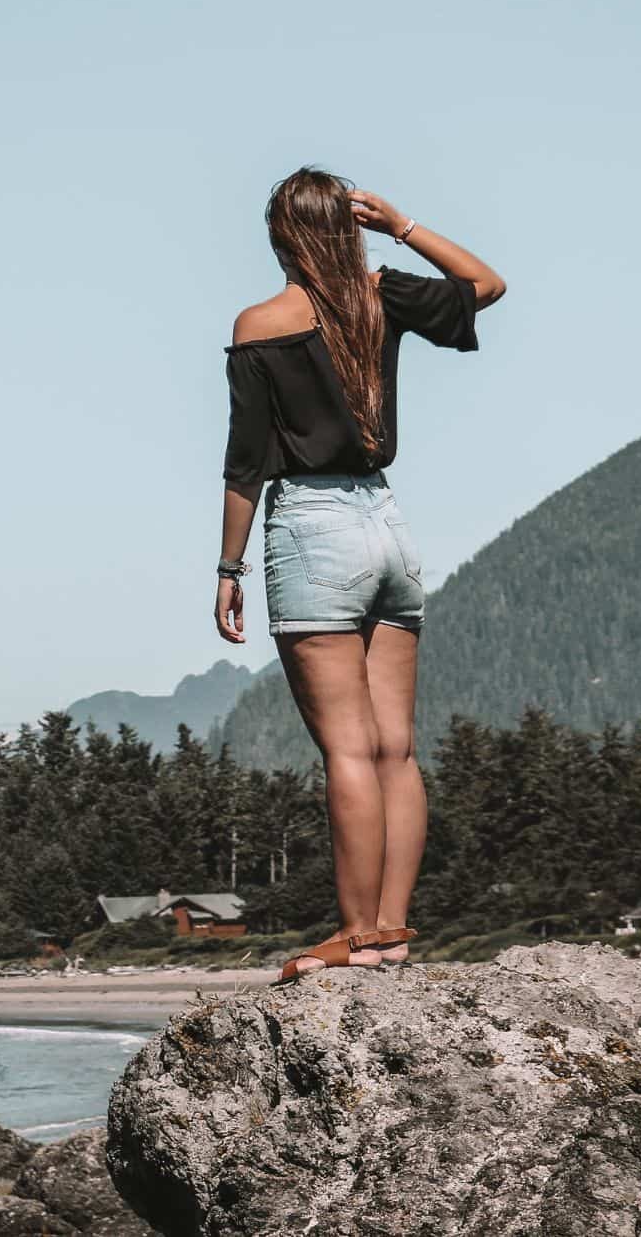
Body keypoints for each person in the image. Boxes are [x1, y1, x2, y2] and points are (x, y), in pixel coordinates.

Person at [215, 167, 506, 984]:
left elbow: (246, 466)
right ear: (350, 231)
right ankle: (392, 933)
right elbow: (486, 284)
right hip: (387, 525)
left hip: (312, 528)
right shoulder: (381, 297)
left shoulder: (259, 325)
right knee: (395, 752)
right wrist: (404, 225)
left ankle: (354, 933)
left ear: (278, 238)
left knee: (346, 748)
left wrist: (229, 567)